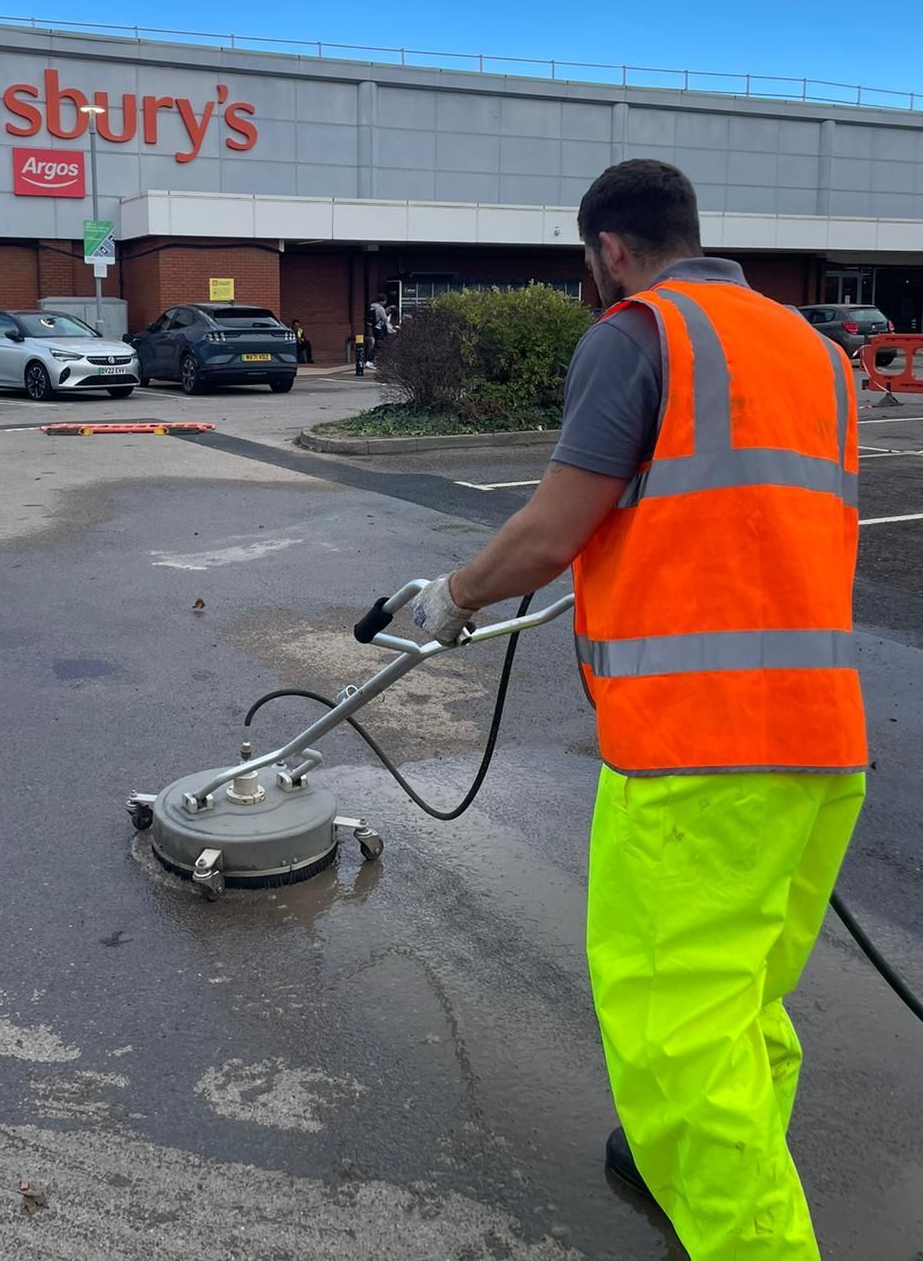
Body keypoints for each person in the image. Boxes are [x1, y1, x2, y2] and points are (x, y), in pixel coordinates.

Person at [408, 159, 866, 1261]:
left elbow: (554, 530)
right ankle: (691, 1171)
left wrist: (448, 598)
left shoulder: (638, 333)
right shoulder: (819, 352)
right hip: (821, 742)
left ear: (609, 250)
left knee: (677, 1037)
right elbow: (737, 525)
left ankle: (738, 1216)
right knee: (744, 1003)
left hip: (696, 756)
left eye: (588, 265)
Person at [366, 293, 390, 361]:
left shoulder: (373, 306)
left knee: (377, 343)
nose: (385, 302)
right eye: (385, 301)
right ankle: (370, 359)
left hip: (374, 327)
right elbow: (385, 319)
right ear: (382, 301)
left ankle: (372, 359)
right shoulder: (380, 308)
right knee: (378, 344)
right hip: (379, 327)